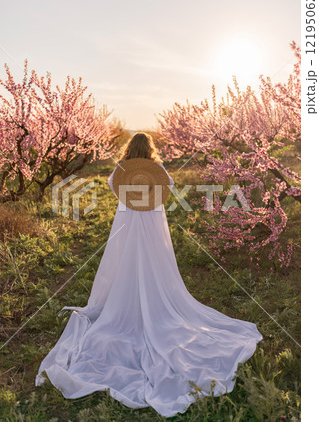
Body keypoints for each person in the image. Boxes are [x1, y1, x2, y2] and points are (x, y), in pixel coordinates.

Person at [35, 132, 262, 418]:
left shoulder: (121, 169)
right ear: (150, 149)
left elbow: (112, 185)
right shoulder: (158, 169)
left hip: (127, 219)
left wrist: (130, 181)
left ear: (130, 148)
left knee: (126, 262)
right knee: (155, 261)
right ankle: (153, 298)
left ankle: (125, 300)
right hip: (153, 220)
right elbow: (168, 186)